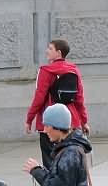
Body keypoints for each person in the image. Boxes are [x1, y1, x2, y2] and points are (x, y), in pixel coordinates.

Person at [25, 38, 90, 168]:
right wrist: (84, 121)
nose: (46, 51)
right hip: (72, 122)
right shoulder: (74, 70)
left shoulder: (45, 71)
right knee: (73, 163)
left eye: (50, 48)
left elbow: (39, 98)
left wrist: (29, 119)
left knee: (51, 163)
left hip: (50, 123)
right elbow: (79, 99)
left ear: (58, 53)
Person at [23, 103, 92, 186]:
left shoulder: (70, 153)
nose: (44, 130)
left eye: (47, 126)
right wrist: (40, 170)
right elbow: (60, 178)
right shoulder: (70, 148)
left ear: (58, 127)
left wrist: (37, 171)